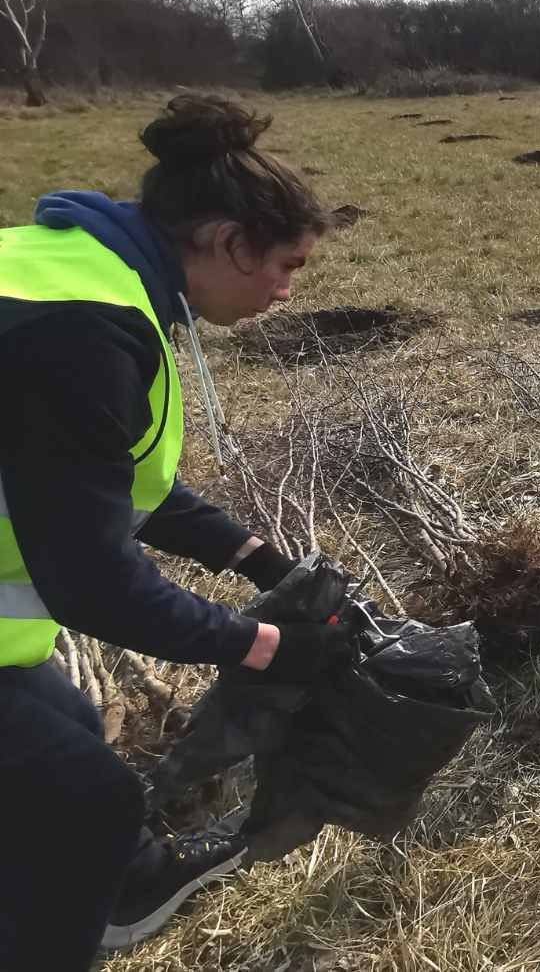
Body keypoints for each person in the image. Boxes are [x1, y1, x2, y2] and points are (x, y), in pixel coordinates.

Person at [0, 95, 355, 970]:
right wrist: (264, 645)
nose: (287, 289)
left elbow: (105, 480)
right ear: (228, 240)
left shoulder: (77, 273)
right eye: (284, 264)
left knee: (70, 718)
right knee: (88, 798)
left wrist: (252, 555)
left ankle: (120, 886)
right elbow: (92, 578)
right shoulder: (84, 333)